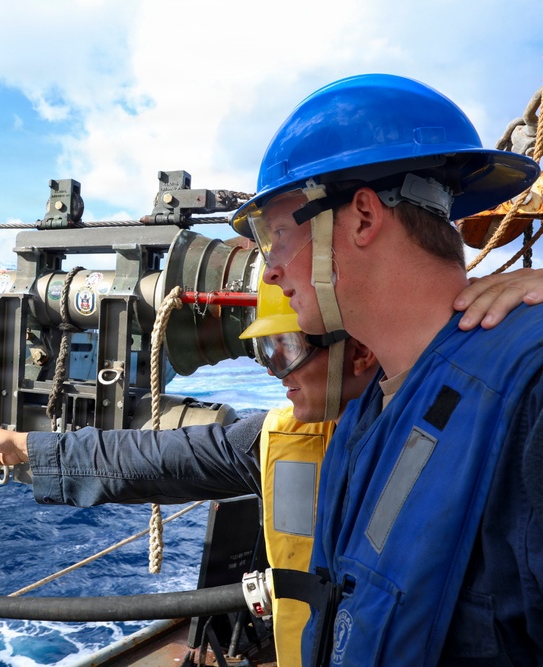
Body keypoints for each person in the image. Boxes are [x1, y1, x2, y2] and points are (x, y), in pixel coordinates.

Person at [0, 272, 543, 666]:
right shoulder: (278, 435)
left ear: (359, 353)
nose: (273, 372)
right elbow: (158, 459)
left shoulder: (497, 429)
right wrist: (29, 449)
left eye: (283, 350)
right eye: (262, 353)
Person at [229, 73, 543, 665]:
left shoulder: (529, 394)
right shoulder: (366, 414)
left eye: (275, 237)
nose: (269, 272)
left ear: (364, 217)